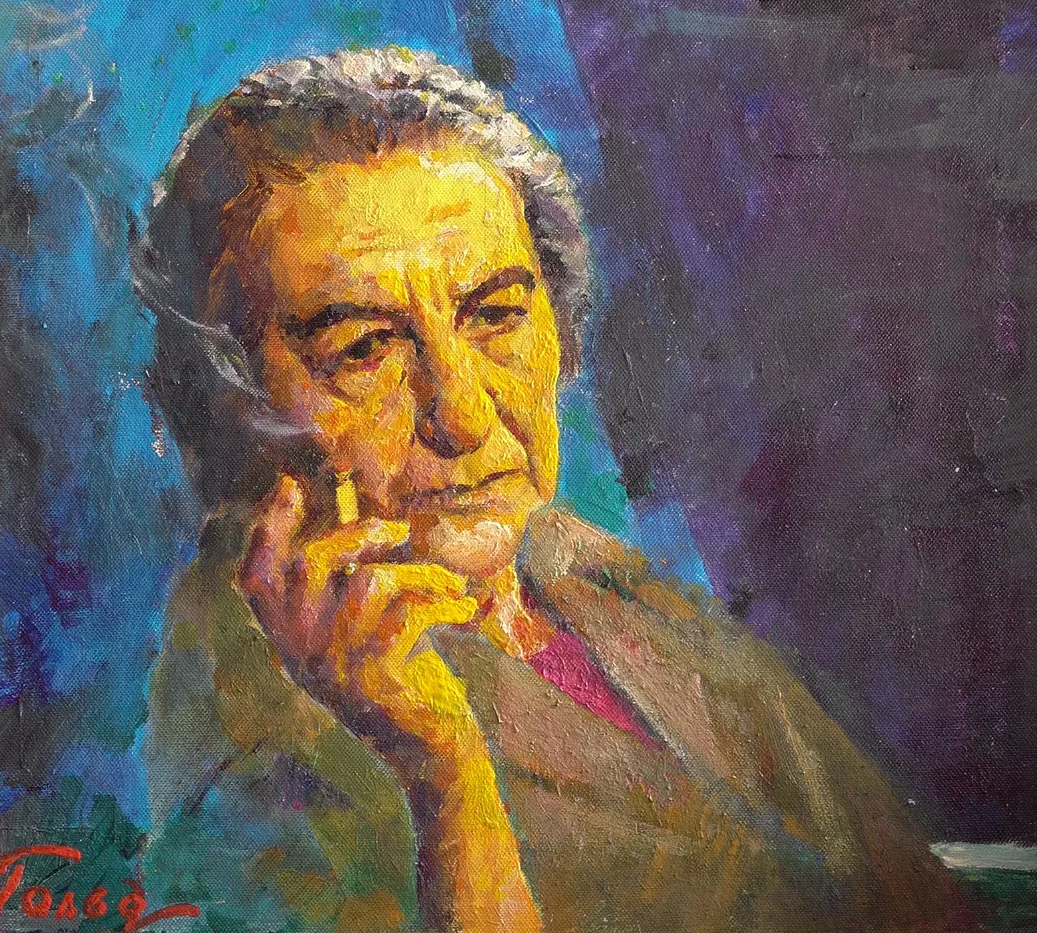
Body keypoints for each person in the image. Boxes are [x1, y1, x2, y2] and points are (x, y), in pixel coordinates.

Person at [135, 47, 979, 933]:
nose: (462, 415)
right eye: (364, 347)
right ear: (237, 400)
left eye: (495, 315)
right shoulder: (256, 726)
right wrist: (445, 774)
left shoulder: (581, 571)